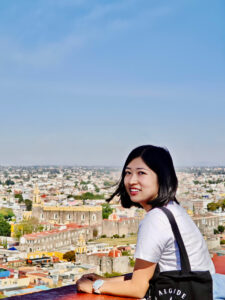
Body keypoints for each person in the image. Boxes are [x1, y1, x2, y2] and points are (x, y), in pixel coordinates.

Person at [77, 145, 225, 299]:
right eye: (128, 173)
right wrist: (107, 280)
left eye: (141, 173)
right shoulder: (173, 209)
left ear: (161, 177)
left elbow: (137, 289)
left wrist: (94, 286)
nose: (132, 180)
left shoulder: (155, 219)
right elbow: (146, 274)